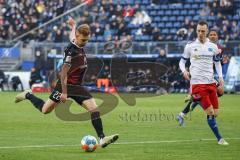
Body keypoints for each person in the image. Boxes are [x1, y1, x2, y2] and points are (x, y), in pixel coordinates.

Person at [15, 17, 119, 148]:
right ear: (78, 36)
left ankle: (102, 138)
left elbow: (72, 37)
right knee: (45, 110)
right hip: (64, 86)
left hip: (77, 87)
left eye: (87, 40)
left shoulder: (77, 42)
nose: (85, 43)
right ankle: (28, 95)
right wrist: (64, 92)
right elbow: (63, 73)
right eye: (83, 40)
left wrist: (73, 25)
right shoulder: (71, 52)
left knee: (94, 109)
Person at [178, 21, 228, 145]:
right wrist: (184, 71)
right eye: (198, 31)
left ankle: (194, 99)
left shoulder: (213, 47)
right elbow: (182, 62)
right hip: (197, 84)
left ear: (207, 31)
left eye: (203, 31)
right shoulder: (190, 46)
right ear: (196, 31)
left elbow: (217, 63)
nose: (200, 33)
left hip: (211, 82)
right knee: (210, 112)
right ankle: (220, 139)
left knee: (215, 114)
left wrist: (220, 78)